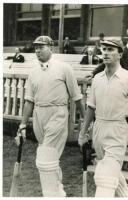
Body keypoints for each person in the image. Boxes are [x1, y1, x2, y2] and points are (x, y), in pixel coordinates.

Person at [78, 40, 128, 197]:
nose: (106, 52)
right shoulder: (97, 79)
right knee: (111, 172)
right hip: (99, 130)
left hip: (118, 130)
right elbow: (91, 108)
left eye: (110, 49)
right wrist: (83, 133)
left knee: (105, 179)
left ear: (120, 54)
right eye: (104, 49)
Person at [15, 35, 85, 197]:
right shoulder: (33, 72)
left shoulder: (64, 68)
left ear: (51, 48)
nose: (38, 50)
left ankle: (50, 195)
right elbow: (28, 101)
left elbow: (77, 97)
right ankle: (58, 192)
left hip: (58, 114)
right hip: (39, 115)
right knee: (50, 157)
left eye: (42, 47)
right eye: (36, 47)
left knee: (44, 159)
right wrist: (23, 125)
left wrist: (84, 122)